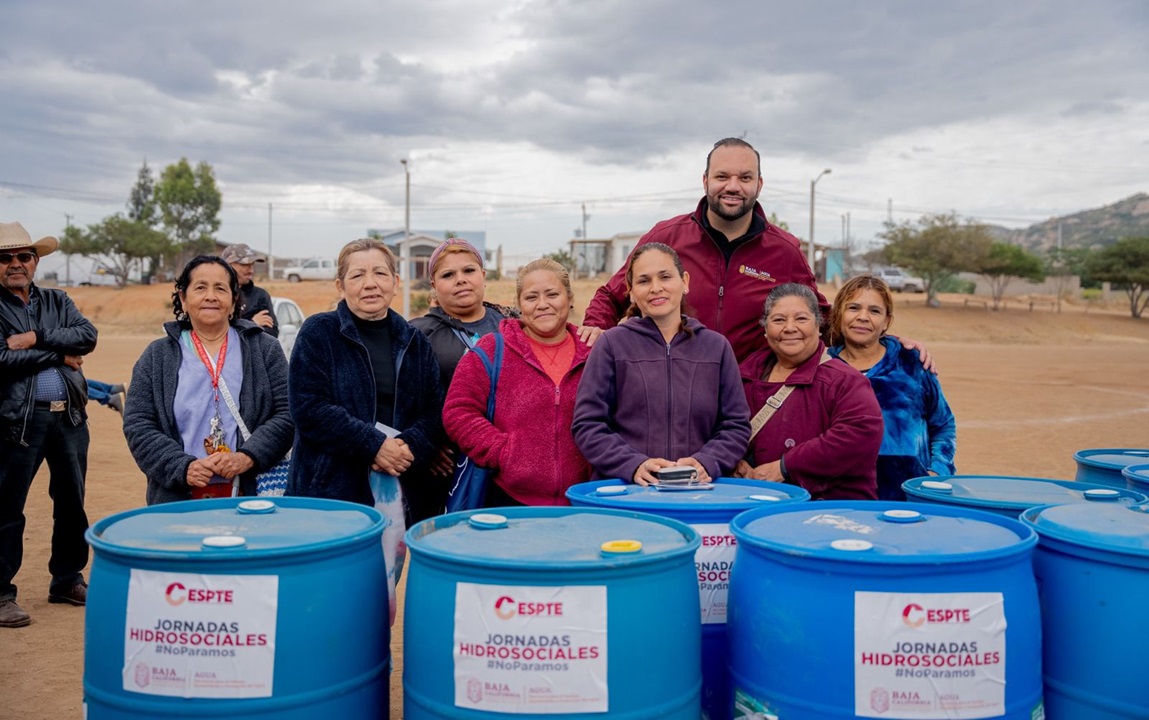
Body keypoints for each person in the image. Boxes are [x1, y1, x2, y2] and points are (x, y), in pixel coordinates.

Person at [583, 137, 934, 370]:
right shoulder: (665, 238)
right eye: (722, 176)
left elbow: (822, 318)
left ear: (759, 185)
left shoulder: (784, 251)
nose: (733, 186)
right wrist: (594, 330)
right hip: (671, 387)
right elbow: (611, 295)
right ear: (705, 180)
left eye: (745, 177)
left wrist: (883, 342)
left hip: (752, 395)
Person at [287, 238, 443, 627]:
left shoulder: (414, 340)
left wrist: (408, 446)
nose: (370, 283)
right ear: (340, 285)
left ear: (395, 282)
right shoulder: (318, 333)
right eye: (358, 275)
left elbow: (434, 412)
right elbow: (309, 408)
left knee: (376, 608)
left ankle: (370, 680)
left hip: (396, 497)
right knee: (323, 606)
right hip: (330, 496)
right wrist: (374, 445)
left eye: (379, 273)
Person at [573, 243, 750, 485]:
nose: (656, 288)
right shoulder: (611, 345)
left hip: (699, 492)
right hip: (626, 494)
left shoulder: (716, 348)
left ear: (685, 281)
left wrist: (708, 461)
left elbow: (736, 426)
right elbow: (588, 424)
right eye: (644, 281)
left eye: (665, 277)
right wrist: (632, 465)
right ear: (631, 291)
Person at [123, 256, 294, 505]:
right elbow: (138, 424)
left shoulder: (264, 349)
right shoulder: (157, 356)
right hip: (178, 499)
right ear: (183, 298)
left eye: (220, 288)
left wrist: (247, 457)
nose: (211, 296)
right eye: (200, 287)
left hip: (251, 497)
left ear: (234, 299)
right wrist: (183, 467)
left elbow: (288, 413)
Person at [0, 222, 96, 627]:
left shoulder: (58, 299)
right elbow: (1, 361)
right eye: (5, 258)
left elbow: (87, 336)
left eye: (24, 256)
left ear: (36, 261)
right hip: (13, 422)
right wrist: (58, 354)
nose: (15, 264)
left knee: (72, 503)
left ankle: (67, 579)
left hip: (69, 416)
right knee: (6, 508)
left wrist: (35, 337)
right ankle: (2, 593)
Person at [443, 258, 592, 506]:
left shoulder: (594, 353)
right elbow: (458, 411)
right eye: (531, 297)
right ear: (519, 304)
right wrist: (504, 453)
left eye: (552, 294)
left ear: (569, 298)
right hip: (509, 500)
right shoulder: (493, 349)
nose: (542, 304)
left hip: (583, 500)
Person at [735, 283, 883, 500]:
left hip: (831, 512)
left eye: (801, 319)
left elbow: (860, 432)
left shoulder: (845, 381)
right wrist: (732, 459)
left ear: (818, 326)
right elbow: (718, 425)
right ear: (765, 329)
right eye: (778, 320)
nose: (790, 328)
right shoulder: (742, 377)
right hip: (756, 507)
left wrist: (785, 467)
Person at [828, 274, 956, 500]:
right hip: (839, 499)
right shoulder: (823, 367)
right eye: (853, 307)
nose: (863, 317)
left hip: (909, 498)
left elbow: (943, 424)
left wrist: (937, 471)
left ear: (887, 321)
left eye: (874, 311)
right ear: (838, 314)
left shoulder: (912, 363)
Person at [221, 243, 278, 338]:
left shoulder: (260, 296)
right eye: (245, 264)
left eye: (252, 264)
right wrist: (253, 324)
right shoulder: (215, 296)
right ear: (229, 265)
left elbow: (271, 334)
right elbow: (216, 333)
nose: (251, 270)